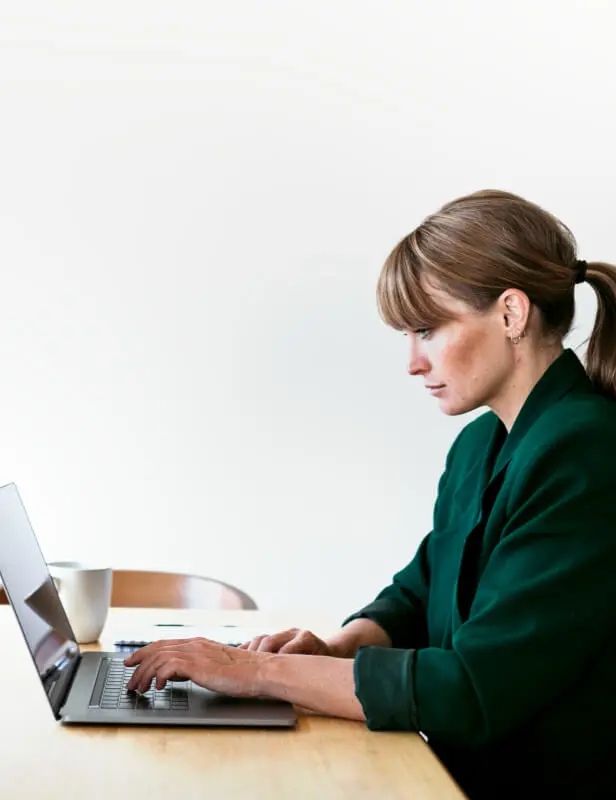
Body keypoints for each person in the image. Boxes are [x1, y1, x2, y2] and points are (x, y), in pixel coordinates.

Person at [125, 189, 616, 799]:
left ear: (512, 314)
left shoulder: (586, 450)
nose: (413, 362)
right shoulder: (479, 445)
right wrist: (335, 646)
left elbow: (473, 686)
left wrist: (258, 672)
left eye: (428, 329)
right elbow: (418, 595)